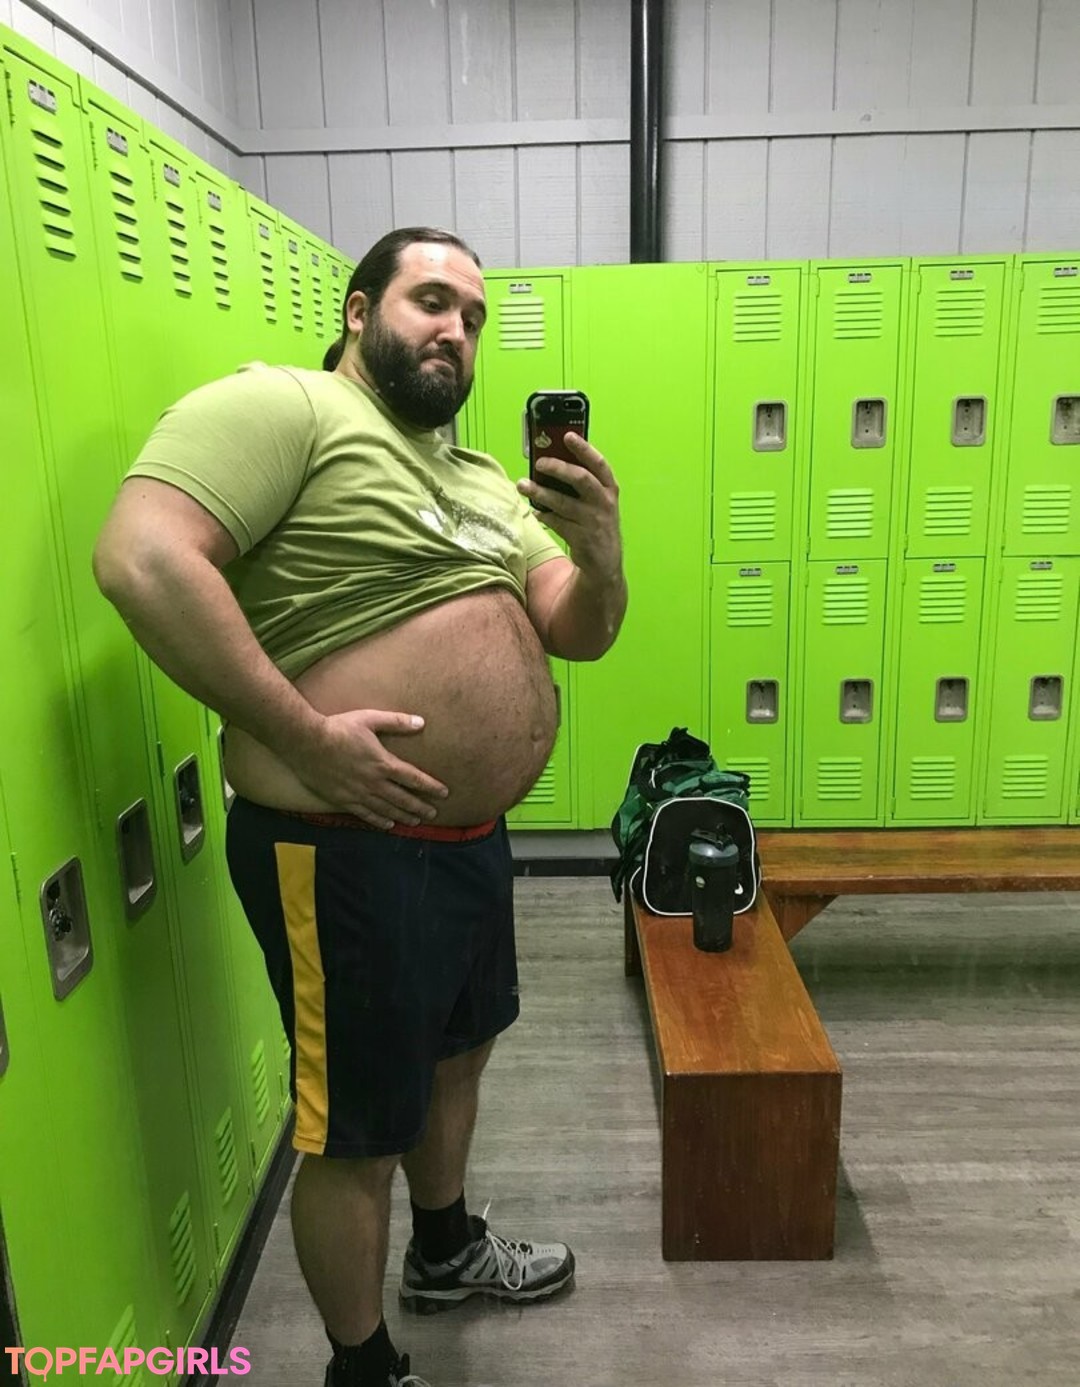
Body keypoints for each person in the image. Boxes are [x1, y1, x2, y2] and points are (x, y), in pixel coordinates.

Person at [93, 226, 627, 1387]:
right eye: (431, 300)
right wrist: (302, 735)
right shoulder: (286, 407)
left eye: (474, 316)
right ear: (357, 310)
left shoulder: (478, 477)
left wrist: (602, 555)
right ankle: (363, 1366)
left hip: (467, 839)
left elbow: (575, 629)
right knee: (352, 1130)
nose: (456, 329)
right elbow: (142, 559)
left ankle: (445, 1249)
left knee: (458, 1053)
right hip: (339, 846)